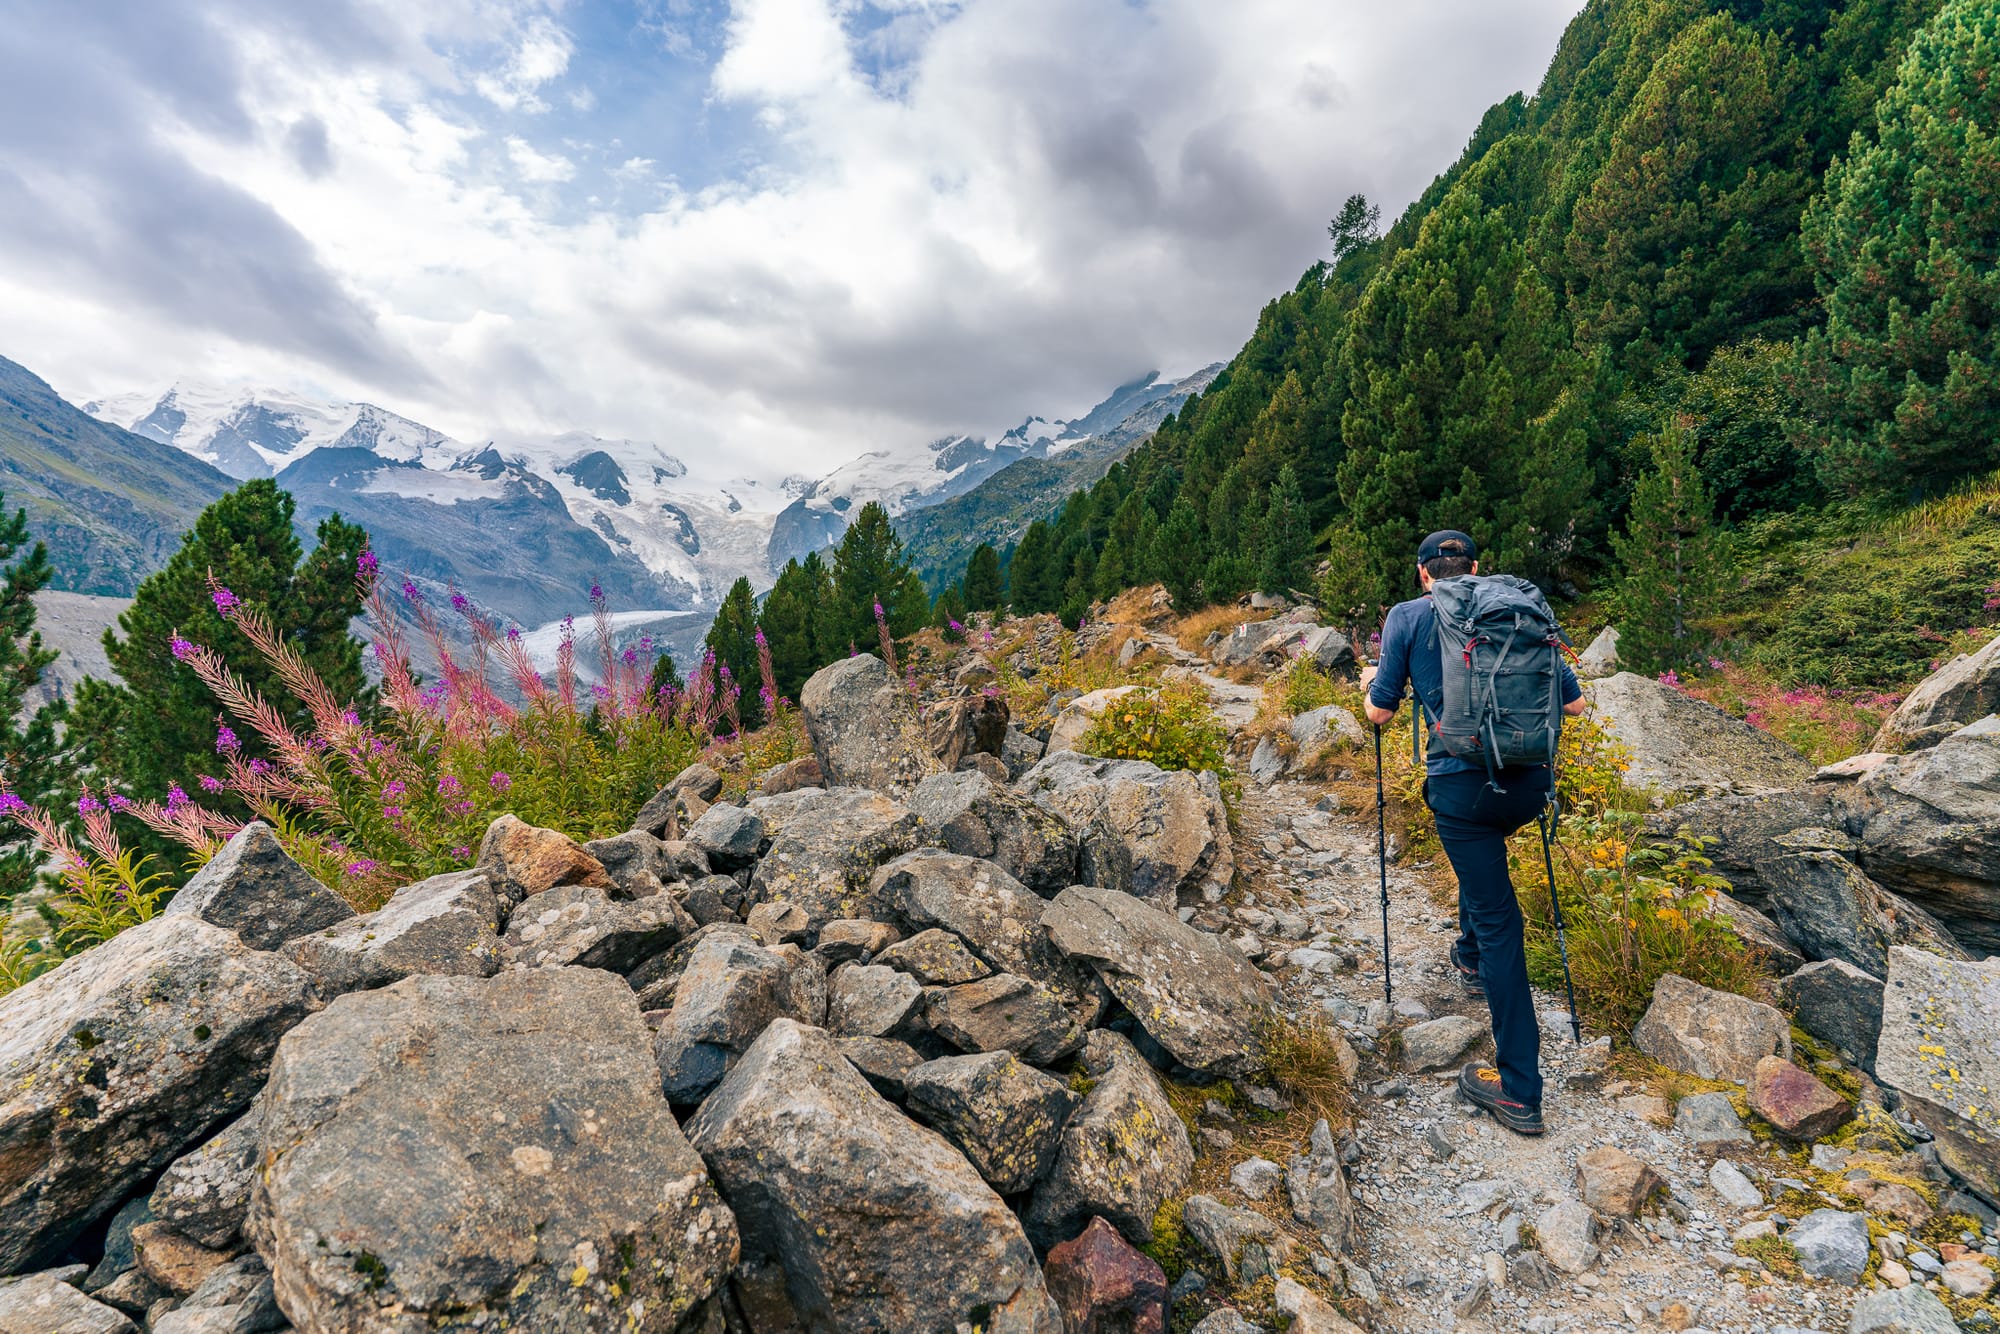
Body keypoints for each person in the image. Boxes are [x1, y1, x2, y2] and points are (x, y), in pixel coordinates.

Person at [1363, 530, 1585, 1135]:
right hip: (1527, 784)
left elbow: (1381, 712)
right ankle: (1467, 957)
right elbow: (1574, 707)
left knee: (1499, 918)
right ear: (1476, 568)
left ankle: (1520, 1090)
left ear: (1423, 573)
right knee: (1483, 872)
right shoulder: (1516, 609)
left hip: (1462, 793)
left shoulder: (1409, 617)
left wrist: (1371, 693)